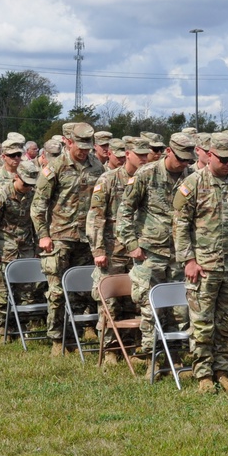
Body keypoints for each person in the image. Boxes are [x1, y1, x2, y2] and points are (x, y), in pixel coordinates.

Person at [173, 132, 228, 394]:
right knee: (202, 323)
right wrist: (188, 259)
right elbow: (180, 225)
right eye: (224, 159)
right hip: (203, 267)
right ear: (209, 155)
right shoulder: (193, 184)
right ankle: (203, 375)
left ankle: (223, 371)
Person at [117, 133, 196, 363]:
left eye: (188, 160)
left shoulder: (190, 177)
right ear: (169, 151)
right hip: (151, 250)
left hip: (180, 252)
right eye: (180, 158)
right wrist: (131, 243)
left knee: (179, 305)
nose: (183, 164)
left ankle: (175, 353)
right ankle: (150, 354)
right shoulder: (146, 174)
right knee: (150, 304)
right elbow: (125, 211)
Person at [30, 123, 103, 356]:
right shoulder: (55, 167)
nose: (84, 151)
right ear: (69, 142)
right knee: (57, 292)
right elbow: (38, 206)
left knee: (81, 291)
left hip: (85, 239)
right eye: (80, 146)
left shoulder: (97, 166)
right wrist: (43, 235)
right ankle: (57, 340)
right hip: (59, 237)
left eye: (87, 147)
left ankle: (78, 335)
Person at [86, 136, 149, 360]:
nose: (144, 159)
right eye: (139, 154)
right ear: (127, 154)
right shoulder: (109, 179)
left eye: (146, 154)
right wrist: (98, 250)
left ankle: (131, 347)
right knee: (110, 304)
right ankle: (111, 350)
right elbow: (96, 217)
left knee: (135, 300)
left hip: (140, 252)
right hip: (113, 251)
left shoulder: (149, 179)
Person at [0, 159, 40, 335]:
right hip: (3, 249)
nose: (27, 187)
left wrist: (37, 249)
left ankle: (22, 326)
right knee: (2, 291)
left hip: (25, 248)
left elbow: (37, 222)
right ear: (16, 177)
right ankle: (3, 327)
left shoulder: (33, 194)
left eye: (31, 184)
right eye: (25, 183)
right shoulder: (0, 196)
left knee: (26, 290)